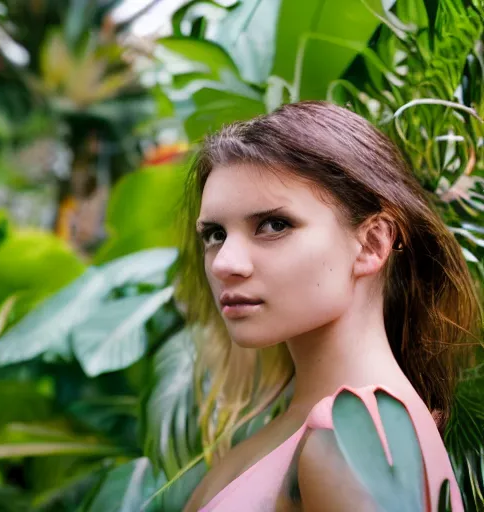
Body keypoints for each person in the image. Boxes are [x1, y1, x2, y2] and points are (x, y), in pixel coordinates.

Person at [176, 101, 482, 511]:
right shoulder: (316, 426)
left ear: (372, 244)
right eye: (215, 234)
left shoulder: (356, 431)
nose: (226, 263)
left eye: (273, 225)